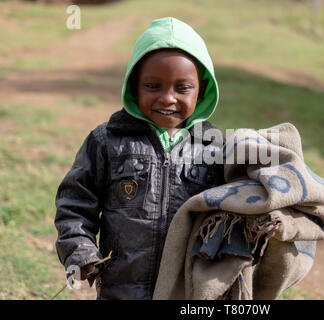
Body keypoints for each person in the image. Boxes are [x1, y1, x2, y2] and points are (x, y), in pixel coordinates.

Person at [54, 17, 223, 300]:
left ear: (202, 90)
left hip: (188, 289)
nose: (168, 98)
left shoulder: (216, 148)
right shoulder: (107, 140)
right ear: (134, 86)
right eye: (153, 86)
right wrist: (80, 250)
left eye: (182, 88)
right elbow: (75, 203)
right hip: (121, 289)